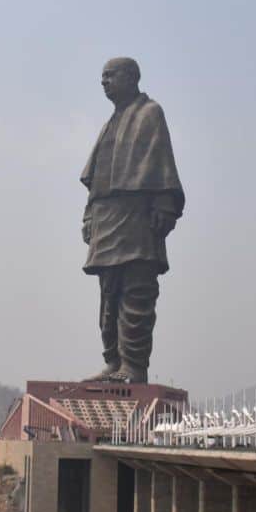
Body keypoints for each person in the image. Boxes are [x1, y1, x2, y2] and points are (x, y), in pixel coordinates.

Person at [80, 57, 184, 384]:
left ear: (131, 77)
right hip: (106, 219)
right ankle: (113, 361)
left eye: (110, 76)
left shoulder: (149, 113)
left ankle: (134, 366)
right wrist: (89, 217)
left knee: (136, 292)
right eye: (102, 77)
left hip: (137, 216)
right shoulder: (110, 122)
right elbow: (95, 179)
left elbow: (162, 162)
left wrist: (164, 206)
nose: (104, 82)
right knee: (108, 296)